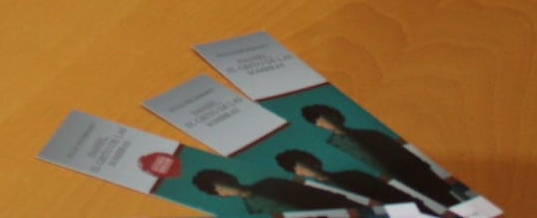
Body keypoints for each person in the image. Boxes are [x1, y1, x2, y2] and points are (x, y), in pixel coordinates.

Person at [298, 105, 461, 207]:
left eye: (327, 117)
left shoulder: (371, 134)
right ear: (318, 125)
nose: (327, 123)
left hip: (415, 180)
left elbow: (409, 158)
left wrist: (431, 178)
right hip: (382, 190)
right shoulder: (332, 147)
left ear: (336, 115)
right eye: (321, 121)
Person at [272, 148, 437, 214]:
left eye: (304, 164)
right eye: (297, 169)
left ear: (313, 161)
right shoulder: (315, 196)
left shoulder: (352, 175)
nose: (304, 170)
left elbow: (395, 195)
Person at [187, 166, 355, 214]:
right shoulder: (253, 212)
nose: (227, 185)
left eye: (224, 180)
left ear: (231, 177)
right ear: (220, 195)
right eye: (220, 187)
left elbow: (316, 194)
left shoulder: (270, 182)